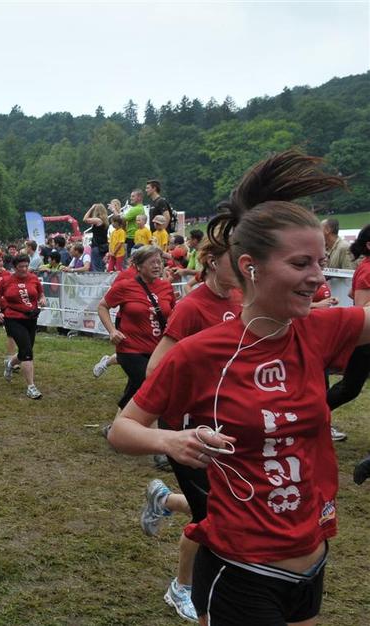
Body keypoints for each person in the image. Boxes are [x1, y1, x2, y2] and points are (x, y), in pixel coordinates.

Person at [108, 150, 358, 626]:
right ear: (251, 266)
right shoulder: (201, 352)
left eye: (321, 262)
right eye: (301, 263)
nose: (318, 277)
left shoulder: (320, 331)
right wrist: (171, 440)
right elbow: (123, 429)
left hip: (311, 561)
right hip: (242, 570)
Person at [137, 231, 243, 622]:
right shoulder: (191, 307)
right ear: (213, 261)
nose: (246, 267)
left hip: (228, 423)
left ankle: (164, 500)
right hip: (189, 429)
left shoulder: (240, 300)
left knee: (228, 505)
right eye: (237, 259)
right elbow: (155, 369)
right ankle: (181, 587)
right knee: (211, 518)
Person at [97, 245, 175, 428]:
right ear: (139, 266)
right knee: (151, 388)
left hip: (157, 350)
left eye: (160, 262)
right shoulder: (125, 286)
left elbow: (172, 313)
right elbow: (102, 306)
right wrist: (112, 331)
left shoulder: (166, 286)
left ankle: (115, 429)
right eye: (152, 262)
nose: (157, 266)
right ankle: (155, 438)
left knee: (134, 390)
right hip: (130, 349)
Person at [325, 223, 370, 441]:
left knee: (349, 388)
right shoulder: (368, 270)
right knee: (349, 389)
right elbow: (361, 306)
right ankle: (311, 415)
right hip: (365, 340)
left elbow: (352, 292)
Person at [0, 253, 47, 399]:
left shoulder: (34, 278)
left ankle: (10, 364)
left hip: (31, 318)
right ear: (14, 267)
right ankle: (31, 387)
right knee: (27, 352)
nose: (24, 269)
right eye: (20, 266)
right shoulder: (6, 281)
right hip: (13, 318)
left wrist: (42, 300)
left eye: (26, 266)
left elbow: (41, 294)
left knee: (25, 351)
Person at [83, 203, 110, 272]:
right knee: (101, 267)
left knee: (96, 268)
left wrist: (91, 208)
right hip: (104, 247)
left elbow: (85, 219)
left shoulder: (98, 220)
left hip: (97, 246)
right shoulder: (105, 221)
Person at [124, 189, 147, 256]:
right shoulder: (140, 208)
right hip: (135, 236)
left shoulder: (136, 209)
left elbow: (122, 219)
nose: (131, 198)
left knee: (131, 257)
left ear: (139, 197)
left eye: (133, 196)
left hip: (132, 236)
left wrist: (114, 210)